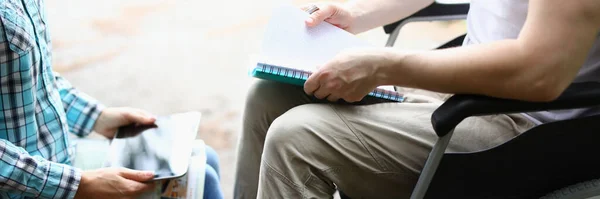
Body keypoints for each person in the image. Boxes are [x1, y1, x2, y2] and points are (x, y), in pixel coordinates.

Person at [234, 0, 600, 198]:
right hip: (463, 88)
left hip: (527, 126)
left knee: (298, 137)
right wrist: (356, 13)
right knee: (270, 97)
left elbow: (538, 74)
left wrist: (385, 66)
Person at [0, 1, 223, 198]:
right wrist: (80, 185)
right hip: (29, 186)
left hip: (61, 156)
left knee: (205, 158)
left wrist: (98, 117)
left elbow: (36, 78)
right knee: (204, 178)